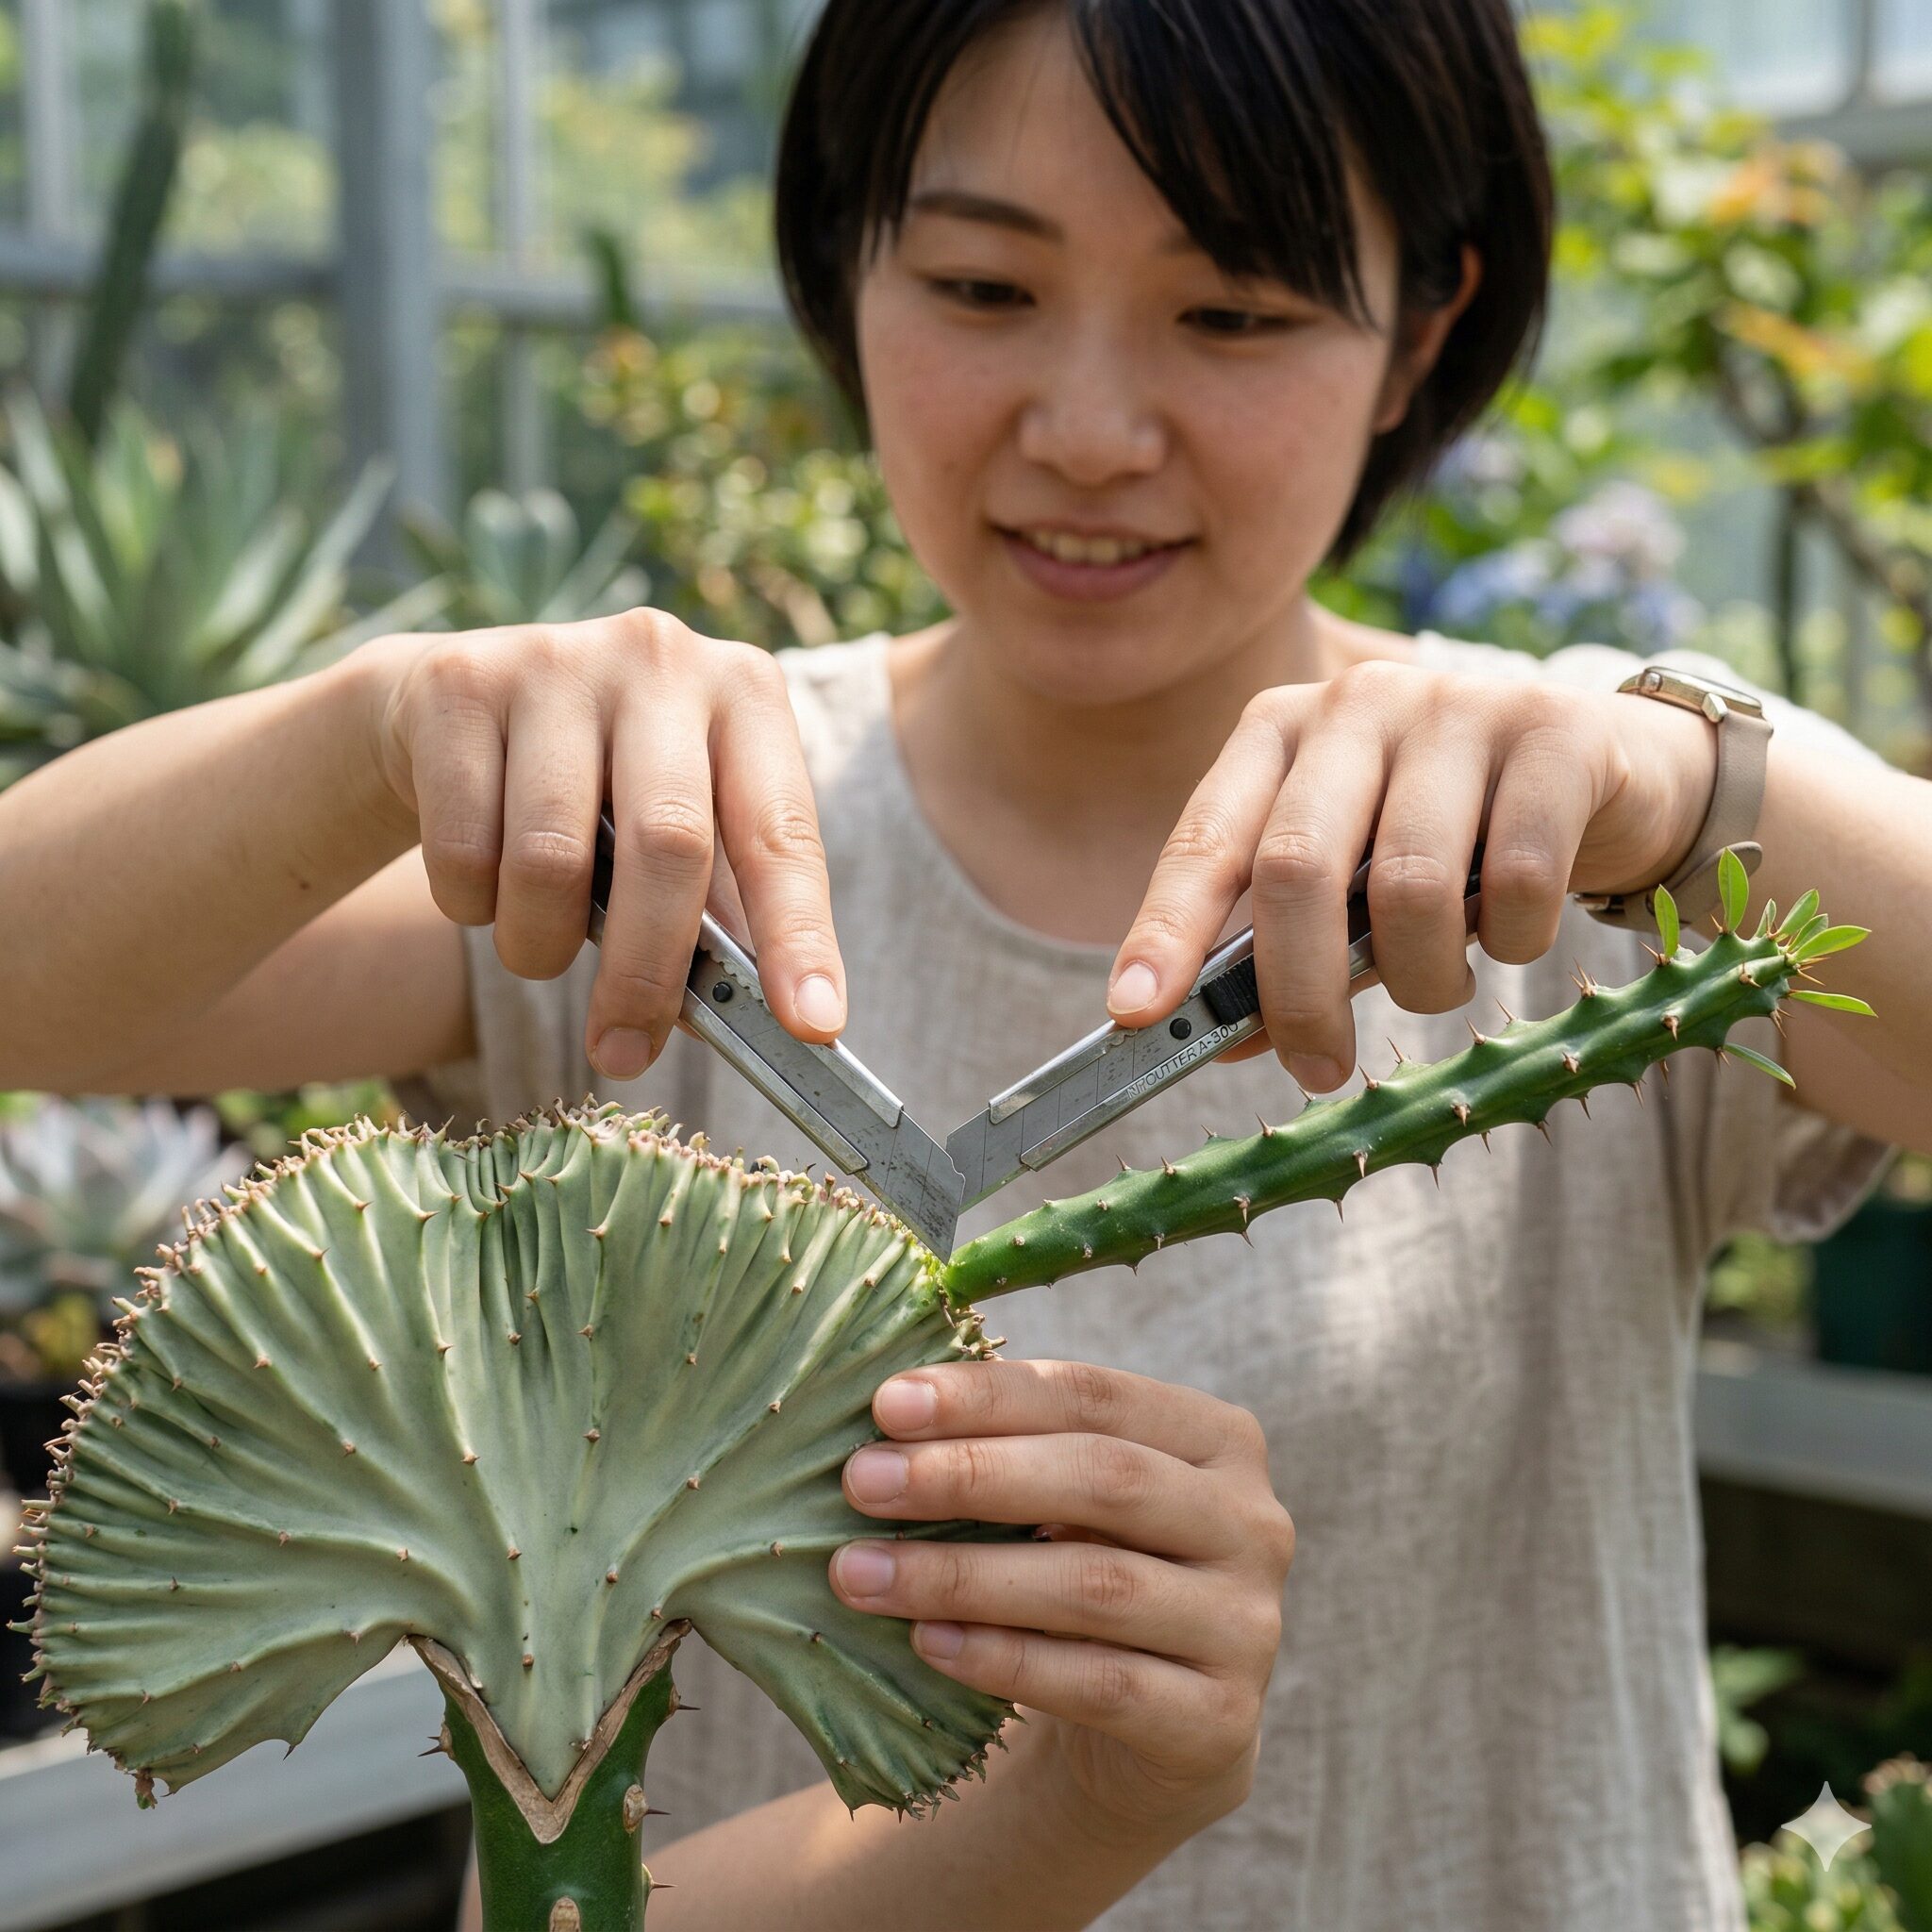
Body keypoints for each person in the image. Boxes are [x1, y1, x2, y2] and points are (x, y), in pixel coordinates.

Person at [5, 0, 1930, 1926]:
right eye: (982, 283)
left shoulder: (1580, 860)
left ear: (1422, 326)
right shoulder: (657, 835)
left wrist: (1693, 790)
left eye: (1233, 313)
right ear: (849, 264)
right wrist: (367, 733)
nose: (1088, 430)